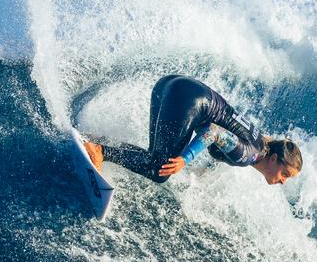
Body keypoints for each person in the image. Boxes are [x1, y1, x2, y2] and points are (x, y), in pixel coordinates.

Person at [81, 75, 302, 186]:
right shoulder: (250, 155)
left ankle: (96, 143)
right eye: (285, 174)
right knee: (160, 171)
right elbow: (214, 131)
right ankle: (101, 151)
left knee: (156, 156)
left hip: (173, 84)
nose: (283, 181)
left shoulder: (259, 142)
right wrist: (186, 159)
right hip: (188, 100)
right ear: (273, 159)